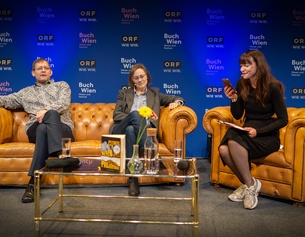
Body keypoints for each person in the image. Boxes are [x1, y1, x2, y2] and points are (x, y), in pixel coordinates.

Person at [220, 50, 288, 210]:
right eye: (241, 65)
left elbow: (283, 119)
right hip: (247, 132)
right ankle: (250, 184)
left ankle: (248, 188)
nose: (242, 69)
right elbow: (237, 115)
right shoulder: (241, 84)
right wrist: (234, 99)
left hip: (267, 136)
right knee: (223, 149)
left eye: (247, 65)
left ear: (258, 65)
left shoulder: (273, 87)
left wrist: (259, 132)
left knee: (231, 137)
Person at [0, 58, 74, 203]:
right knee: (40, 127)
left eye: (46, 68)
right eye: (39, 68)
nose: (43, 70)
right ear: (33, 73)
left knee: (45, 125)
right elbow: (6, 100)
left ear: (51, 72)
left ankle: (33, 184)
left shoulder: (61, 86)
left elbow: (63, 104)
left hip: (62, 128)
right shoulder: (25, 93)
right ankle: (59, 155)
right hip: (35, 128)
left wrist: (45, 111)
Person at [110, 63, 185, 196]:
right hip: (120, 130)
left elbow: (176, 98)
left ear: (147, 77)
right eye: (136, 78)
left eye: (142, 76)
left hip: (141, 130)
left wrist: (177, 103)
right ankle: (153, 155)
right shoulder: (124, 93)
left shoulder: (154, 94)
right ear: (132, 80)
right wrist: (135, 116)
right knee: (134, 116)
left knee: (131, 131)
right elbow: (116, 115)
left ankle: (133, 179)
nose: (140, 80)